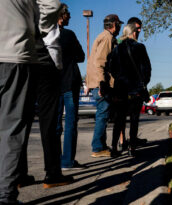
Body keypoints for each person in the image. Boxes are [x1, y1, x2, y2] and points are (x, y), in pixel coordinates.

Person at [0, 0, 72, 203]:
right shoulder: (61, 34)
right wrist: (35, 26)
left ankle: (18, 177)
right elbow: (51, 4)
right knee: (12, 128)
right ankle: (6, 195)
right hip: (15, 52)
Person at [106, 22, 151, 157]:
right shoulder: (140, 47)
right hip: (135, 89)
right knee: (134, 119)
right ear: (134, 33)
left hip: (120, 88)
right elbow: (147, 69)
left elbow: (110, 67)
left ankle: (114, 147)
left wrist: (119, 78)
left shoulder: (117, 49)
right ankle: (132, 147)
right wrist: (143, 82)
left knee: (119, 119)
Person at [86, 14, 123, 157]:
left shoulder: (104, 37)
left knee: (103, 113)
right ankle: (97, 147)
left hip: (97, 82)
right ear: (113, 24)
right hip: (101, 83)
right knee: (102, 114)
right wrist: (102, 84)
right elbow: (100, 62)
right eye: (118, 24)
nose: (119, 27)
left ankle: (101, 145)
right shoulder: (107, 38)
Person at [56, 4, 86, 170]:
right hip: (69, 82)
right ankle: (67, 161)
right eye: (68, 13)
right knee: (70, 122)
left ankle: (53, 161)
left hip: (52, 85)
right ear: (62, 15)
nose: (70, 17)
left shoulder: (45, 35)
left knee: (55, 124)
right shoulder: (69, 34)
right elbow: (81, 57)